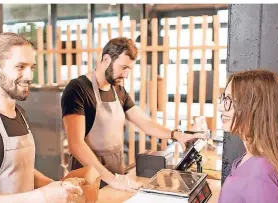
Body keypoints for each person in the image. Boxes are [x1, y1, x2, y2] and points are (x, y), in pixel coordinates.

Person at [0, 33, 84, 203]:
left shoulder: (20, 114)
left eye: (31, 67)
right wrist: (42, 196)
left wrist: (56, 187)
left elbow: (22, 172)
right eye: (20, 67)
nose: (29, 76)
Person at [61, 37, 207, 192]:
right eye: (123, 67)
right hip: (86, 178)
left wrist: (176, 135)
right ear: (106, 59)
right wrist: (112, 179)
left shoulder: (118, 91)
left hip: (115, 174)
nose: (125, 75)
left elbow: (144, 122)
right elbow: (76, 145)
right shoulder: (78, 89)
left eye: (129, 69)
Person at [218, 70, 278, 203]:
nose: (221, 107)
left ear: (259, 110)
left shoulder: (261, 174)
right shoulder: (249, 158)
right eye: (224, 98)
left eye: (232, 100)